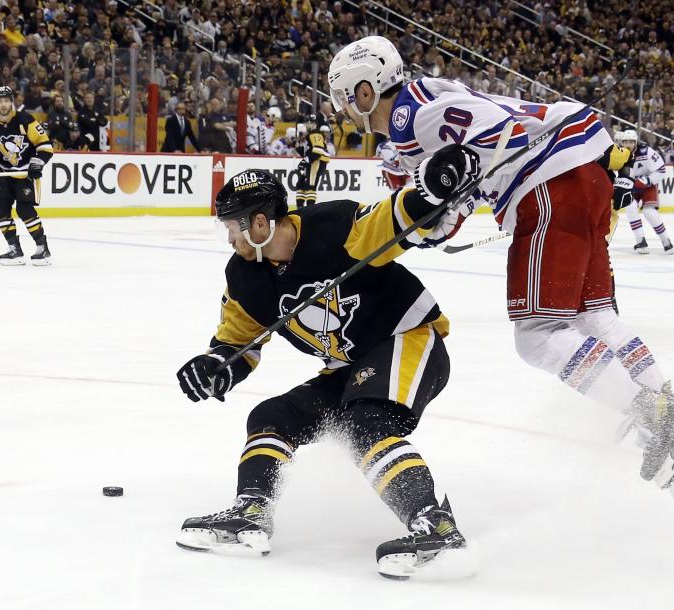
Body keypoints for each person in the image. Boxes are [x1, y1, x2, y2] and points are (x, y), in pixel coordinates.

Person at [327, 36, 674, 500]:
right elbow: (461, 188)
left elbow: (496, 135)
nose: (344, 110)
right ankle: (671, 409)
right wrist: (434, 221)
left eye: (344, 96)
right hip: (581, 174)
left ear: (366, 88)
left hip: (547, 184)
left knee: (537, 336)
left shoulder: (410, 118)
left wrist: (442, 198)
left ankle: (659, 419)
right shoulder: (427, 98)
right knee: (592, 316)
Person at [175, 168, 469, 579]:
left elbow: (393, 218)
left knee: (364, 421)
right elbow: (238, 343)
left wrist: (431, 191)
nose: (230, 239)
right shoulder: (244, 276)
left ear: (259, 223)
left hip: (409, 339)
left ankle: (434, 527)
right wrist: (216, 367)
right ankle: (252, 511)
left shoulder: (332, 226)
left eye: (232, 228)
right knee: (270, 418)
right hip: (348, 368)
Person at [0, 86, 54, 265]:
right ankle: (14, 248)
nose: (3, 104)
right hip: (3, 171)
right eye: (0, 101)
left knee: (25, 210)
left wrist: (37, 163)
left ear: (12, 102)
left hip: (25, 173)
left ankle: (42, 247)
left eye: (7, 100)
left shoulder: (25, 120)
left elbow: (45, 146)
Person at [617, 130, 673, 254]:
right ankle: (640, 241)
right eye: (625, 142)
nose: (628, 144)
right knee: (630, 206)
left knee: (650, 212)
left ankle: (666, 241)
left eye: (631, 142)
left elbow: (661, 169)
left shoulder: (646, 152)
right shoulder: (618, 154)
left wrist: (646, 180)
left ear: (636, 142)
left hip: (647, 185)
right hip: (630, 186)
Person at [294, 114, 330, 208]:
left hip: (316, 162)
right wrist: (297, 146)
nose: (309, 124)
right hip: (312, 161)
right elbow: (307, 152)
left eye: (312, 123)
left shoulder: (315, 134)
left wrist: (305, 160)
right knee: (301, 185)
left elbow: (318, 150)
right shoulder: (309, 135)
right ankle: (300, 209)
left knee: (311, 185)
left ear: (316, 124)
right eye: (308, 122)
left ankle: (310, 209)